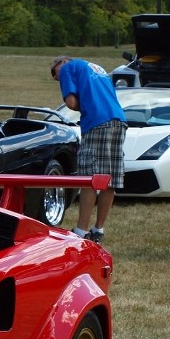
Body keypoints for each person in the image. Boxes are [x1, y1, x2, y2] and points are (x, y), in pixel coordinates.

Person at [50, 55, 127, 243]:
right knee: (109, 178)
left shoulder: (68, 68)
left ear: (62, 62)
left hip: (97, 123)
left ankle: (81, 231)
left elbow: (71, 103)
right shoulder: (97, 68)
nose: (57, 78)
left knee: (89, 177)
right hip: (119, 121)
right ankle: (98, 229)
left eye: (55, 74)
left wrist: (79, 101)